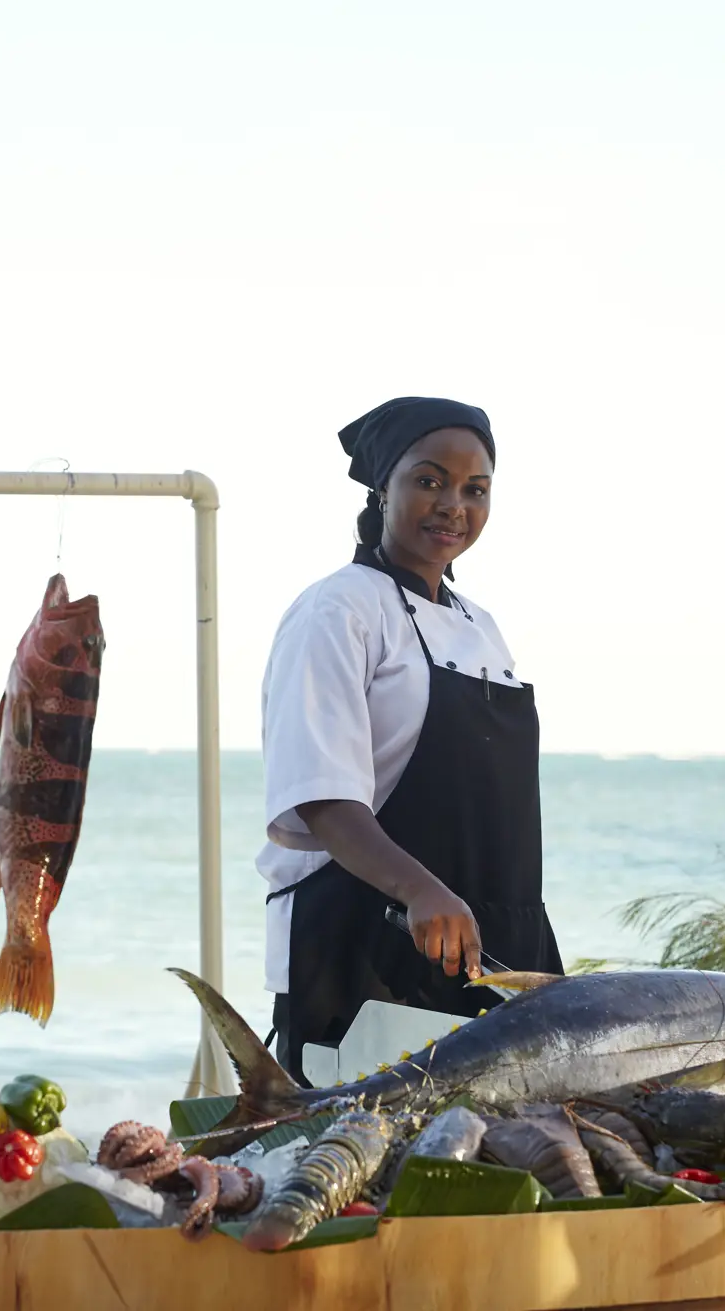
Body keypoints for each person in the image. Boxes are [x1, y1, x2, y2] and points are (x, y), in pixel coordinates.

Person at [258, 396, 562, 1080]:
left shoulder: (480, 625)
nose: (453, 504)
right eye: (429, 481)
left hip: (494, 954)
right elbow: (323, 799)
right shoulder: (336, 610)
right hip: (364, 951)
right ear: (382, 489)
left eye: (474, 489)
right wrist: (422, 891)